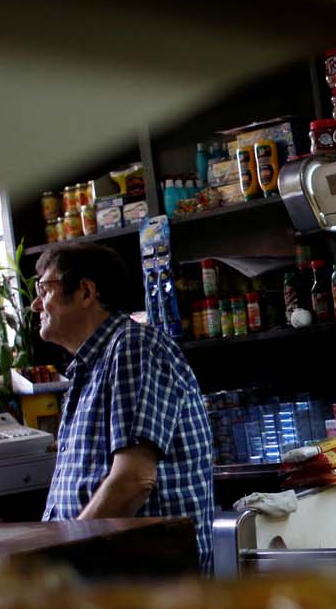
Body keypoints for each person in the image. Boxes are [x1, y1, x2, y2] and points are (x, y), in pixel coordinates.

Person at [31, 243, 215, 572]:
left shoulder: (132, 347)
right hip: (106, 570)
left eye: (45, 289)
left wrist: (67, 559)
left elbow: (133, 481)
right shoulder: (90, 366)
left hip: (144, 582)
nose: (35, 305)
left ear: (85, 291)